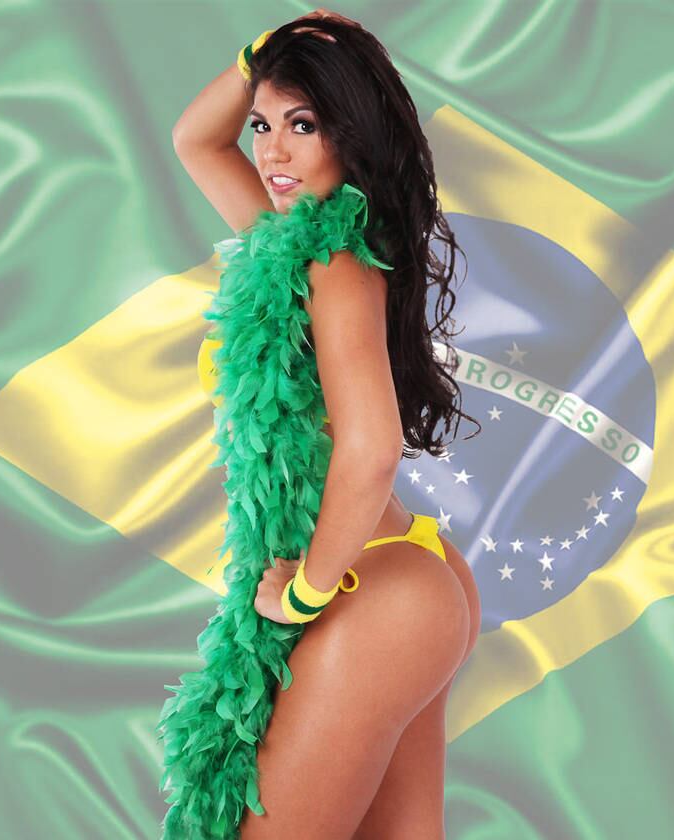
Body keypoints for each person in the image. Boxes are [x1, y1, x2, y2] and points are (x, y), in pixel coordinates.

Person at [168, 10, 483, 839]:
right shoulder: (289, 246)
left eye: (302, 125)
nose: (271, 152)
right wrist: (272, 48)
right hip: (405, 578)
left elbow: (372, 447)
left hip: (368, 589)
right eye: (263, 124)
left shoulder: (335, 263)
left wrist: (307, 589)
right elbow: (195, 141)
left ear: (351, 132)